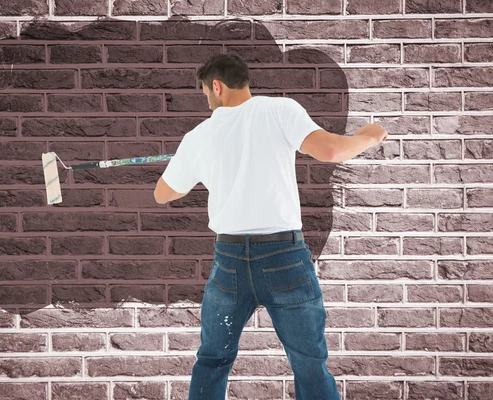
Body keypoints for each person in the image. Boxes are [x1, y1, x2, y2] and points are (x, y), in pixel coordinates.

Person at [153, 53, 387, 400]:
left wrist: (187, 162)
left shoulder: (198, 137)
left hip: (229, 261)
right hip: (284, 258)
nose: (207, 102)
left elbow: (163, 194)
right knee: (309, 363)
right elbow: (333, 150)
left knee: (213, 359)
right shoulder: (280, 110)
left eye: (205, 94)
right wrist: (369, 135)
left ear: (216, 86)